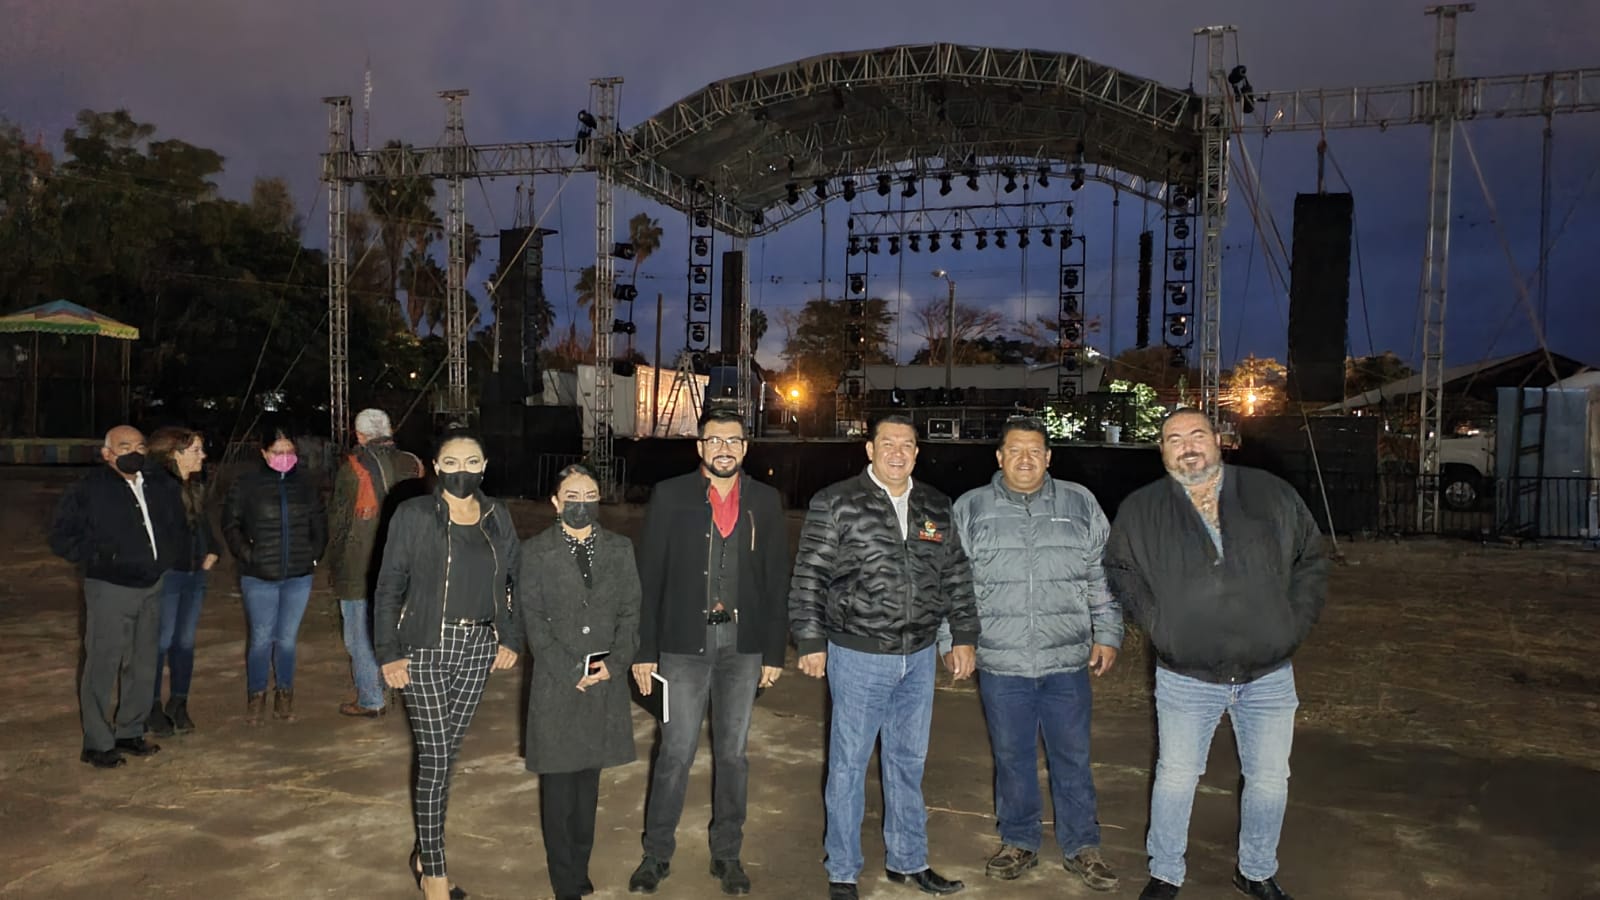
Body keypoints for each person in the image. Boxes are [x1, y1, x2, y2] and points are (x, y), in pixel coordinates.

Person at [1105, 409, 1328, 900]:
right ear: (1161, 451)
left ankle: (1256, 870)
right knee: (1176, 778)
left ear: (1219, 440)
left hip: (1267, 673)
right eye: (1174, 438)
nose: (1187, 446)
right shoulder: (1142, 509)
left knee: (1269, 779)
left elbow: (1311, 557)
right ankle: (1165, 873)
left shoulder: (1270, 494)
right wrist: (1159, 624)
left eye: (1197, 435)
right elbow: (1119, 567)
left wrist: (1292, 623)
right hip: (1186, 675)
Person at [789, 413, 981, 900]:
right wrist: (810, 640)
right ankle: (843, 871)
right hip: (857, 653)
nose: (898, 452)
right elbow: (809, 574)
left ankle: (908, 861)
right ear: (869, 449)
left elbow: (955, 575)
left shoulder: (936, 504)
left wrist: (964, 635)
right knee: (848, 766)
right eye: (888, 442)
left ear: (917, 452)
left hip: (916, 656)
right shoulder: (836, 502)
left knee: (907, 763)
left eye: (908, 444)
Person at [946, 417, 1122, 891]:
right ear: (999, 457)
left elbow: (1100, 578)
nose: (1026, 459)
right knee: (1012, 756)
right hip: (1002, 664)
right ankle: (1019, 840)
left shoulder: (1079, 503)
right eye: (1015, 451)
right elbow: (952, 583)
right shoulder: (972, 509)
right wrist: (953, 639)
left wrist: (1108, 632)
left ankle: (1082, 845)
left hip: (1067, 662)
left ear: (1049, 457)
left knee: (1073, 756)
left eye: (1035, 451)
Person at [627, 410, 791, 896]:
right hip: (681, 648)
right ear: (700, 447)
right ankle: (656, 854)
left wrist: (774, 653)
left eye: (733, 441)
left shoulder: (765, 501)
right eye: (714, 440)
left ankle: (727, 854)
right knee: (675, 753)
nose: (724, 448)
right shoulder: (671, 496)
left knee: (733, 755)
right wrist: (644, 649)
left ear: (745, 448)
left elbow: (776, 581)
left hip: (742, 650)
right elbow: (649, 576)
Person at [374, 428, 521, 900]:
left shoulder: (498, 515)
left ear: (484, 467)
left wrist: (510, 636)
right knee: (436, 757)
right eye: (452, 462)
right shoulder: (413, 514)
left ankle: (423, 851)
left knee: (446, 756)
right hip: (424, 649)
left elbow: (516, 581)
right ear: (437, 468)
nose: (463, 471)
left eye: (472, 462)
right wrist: (389, 652)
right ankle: (434, 873)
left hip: (478, 647)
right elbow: (388, 586)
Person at [513, 464, 640, 900]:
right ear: (555, 501)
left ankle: (580, 866)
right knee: (559, 790)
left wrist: (617, 662)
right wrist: (572, 670)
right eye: (572, 495)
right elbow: (534, 622)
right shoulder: (534, 552)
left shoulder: (620, 549)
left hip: (605, 684)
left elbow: (630, 613)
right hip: (557, 684)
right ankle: (564, 879)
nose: (581, 503)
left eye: (589, 495)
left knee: (589, 786)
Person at [49, 425, 184, 768]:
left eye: (139, 445)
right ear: (107, 453)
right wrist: (101, 557)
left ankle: (130, 732)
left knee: (142, 664)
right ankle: (96, 742)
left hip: (152, 586)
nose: (134, 451)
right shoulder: (89, 490)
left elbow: (177, 523)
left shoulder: (157, 484)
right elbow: (62, 536)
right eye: (124, 446)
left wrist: (168, 556)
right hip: (110, 588)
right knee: (102, 664)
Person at [222, 418, 328, 724]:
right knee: (261, 639)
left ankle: (285, 693)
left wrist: (313, 555)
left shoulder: (306, 485)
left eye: (289, 450)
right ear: (264, 453)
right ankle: (257, 694)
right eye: (277, 450)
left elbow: (319, 524)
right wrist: (248, 554)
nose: (284, 456)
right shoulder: (247, 484)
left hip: (298, 575)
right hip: (258, 576)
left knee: (287, 640)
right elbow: (231, 524)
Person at [325, 408, 423, 717]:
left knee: (360, 635)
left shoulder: (352, 469)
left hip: (361, 567)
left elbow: (339, 523)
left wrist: (334, 564)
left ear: (359, 436)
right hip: (410, 565)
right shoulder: (414, 464)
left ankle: (371, 698)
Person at [145, 426, 221, 736]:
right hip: (170, 575)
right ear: (176, 454)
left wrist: (213, 549)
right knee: (160, 642)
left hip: (194, 574)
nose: (202, 455)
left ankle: (179, 702)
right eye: (196, 450)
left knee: (185, 643)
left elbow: (201, 524)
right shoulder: (157, 487)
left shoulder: (193, 485)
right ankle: (150, 706)